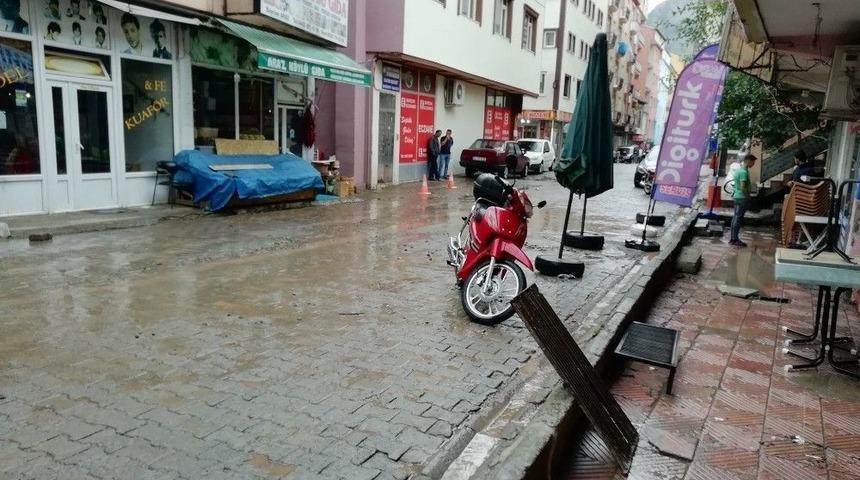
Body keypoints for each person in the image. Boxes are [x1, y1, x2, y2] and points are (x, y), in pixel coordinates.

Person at [730, 153, 757, 247]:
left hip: (737, 197)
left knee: (735, 218)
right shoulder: (743, 172)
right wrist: (747, 196)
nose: (753, 164)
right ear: (748, 160)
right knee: (738, 219)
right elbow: (742, 187)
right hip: (742, 198)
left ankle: (732, 238)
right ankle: (734, 239)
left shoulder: (739, 170)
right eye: (753, 162)